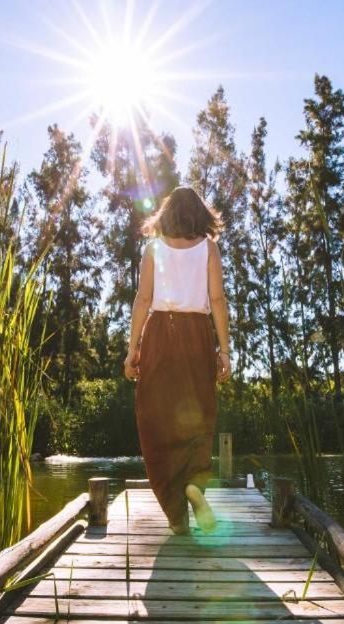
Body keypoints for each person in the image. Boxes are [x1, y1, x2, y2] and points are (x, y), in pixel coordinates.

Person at [124, 186, 232, 534]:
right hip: (197, 335)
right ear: (200, 215)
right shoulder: (208, 248)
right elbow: (217, 300)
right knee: (200, 414)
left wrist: (132, 349)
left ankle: (175, 513)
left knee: (155, 420)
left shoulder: (153, 249)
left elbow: (143, 299)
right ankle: (194, 486)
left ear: (167, 214)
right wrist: (224, 352)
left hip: (159, 335)